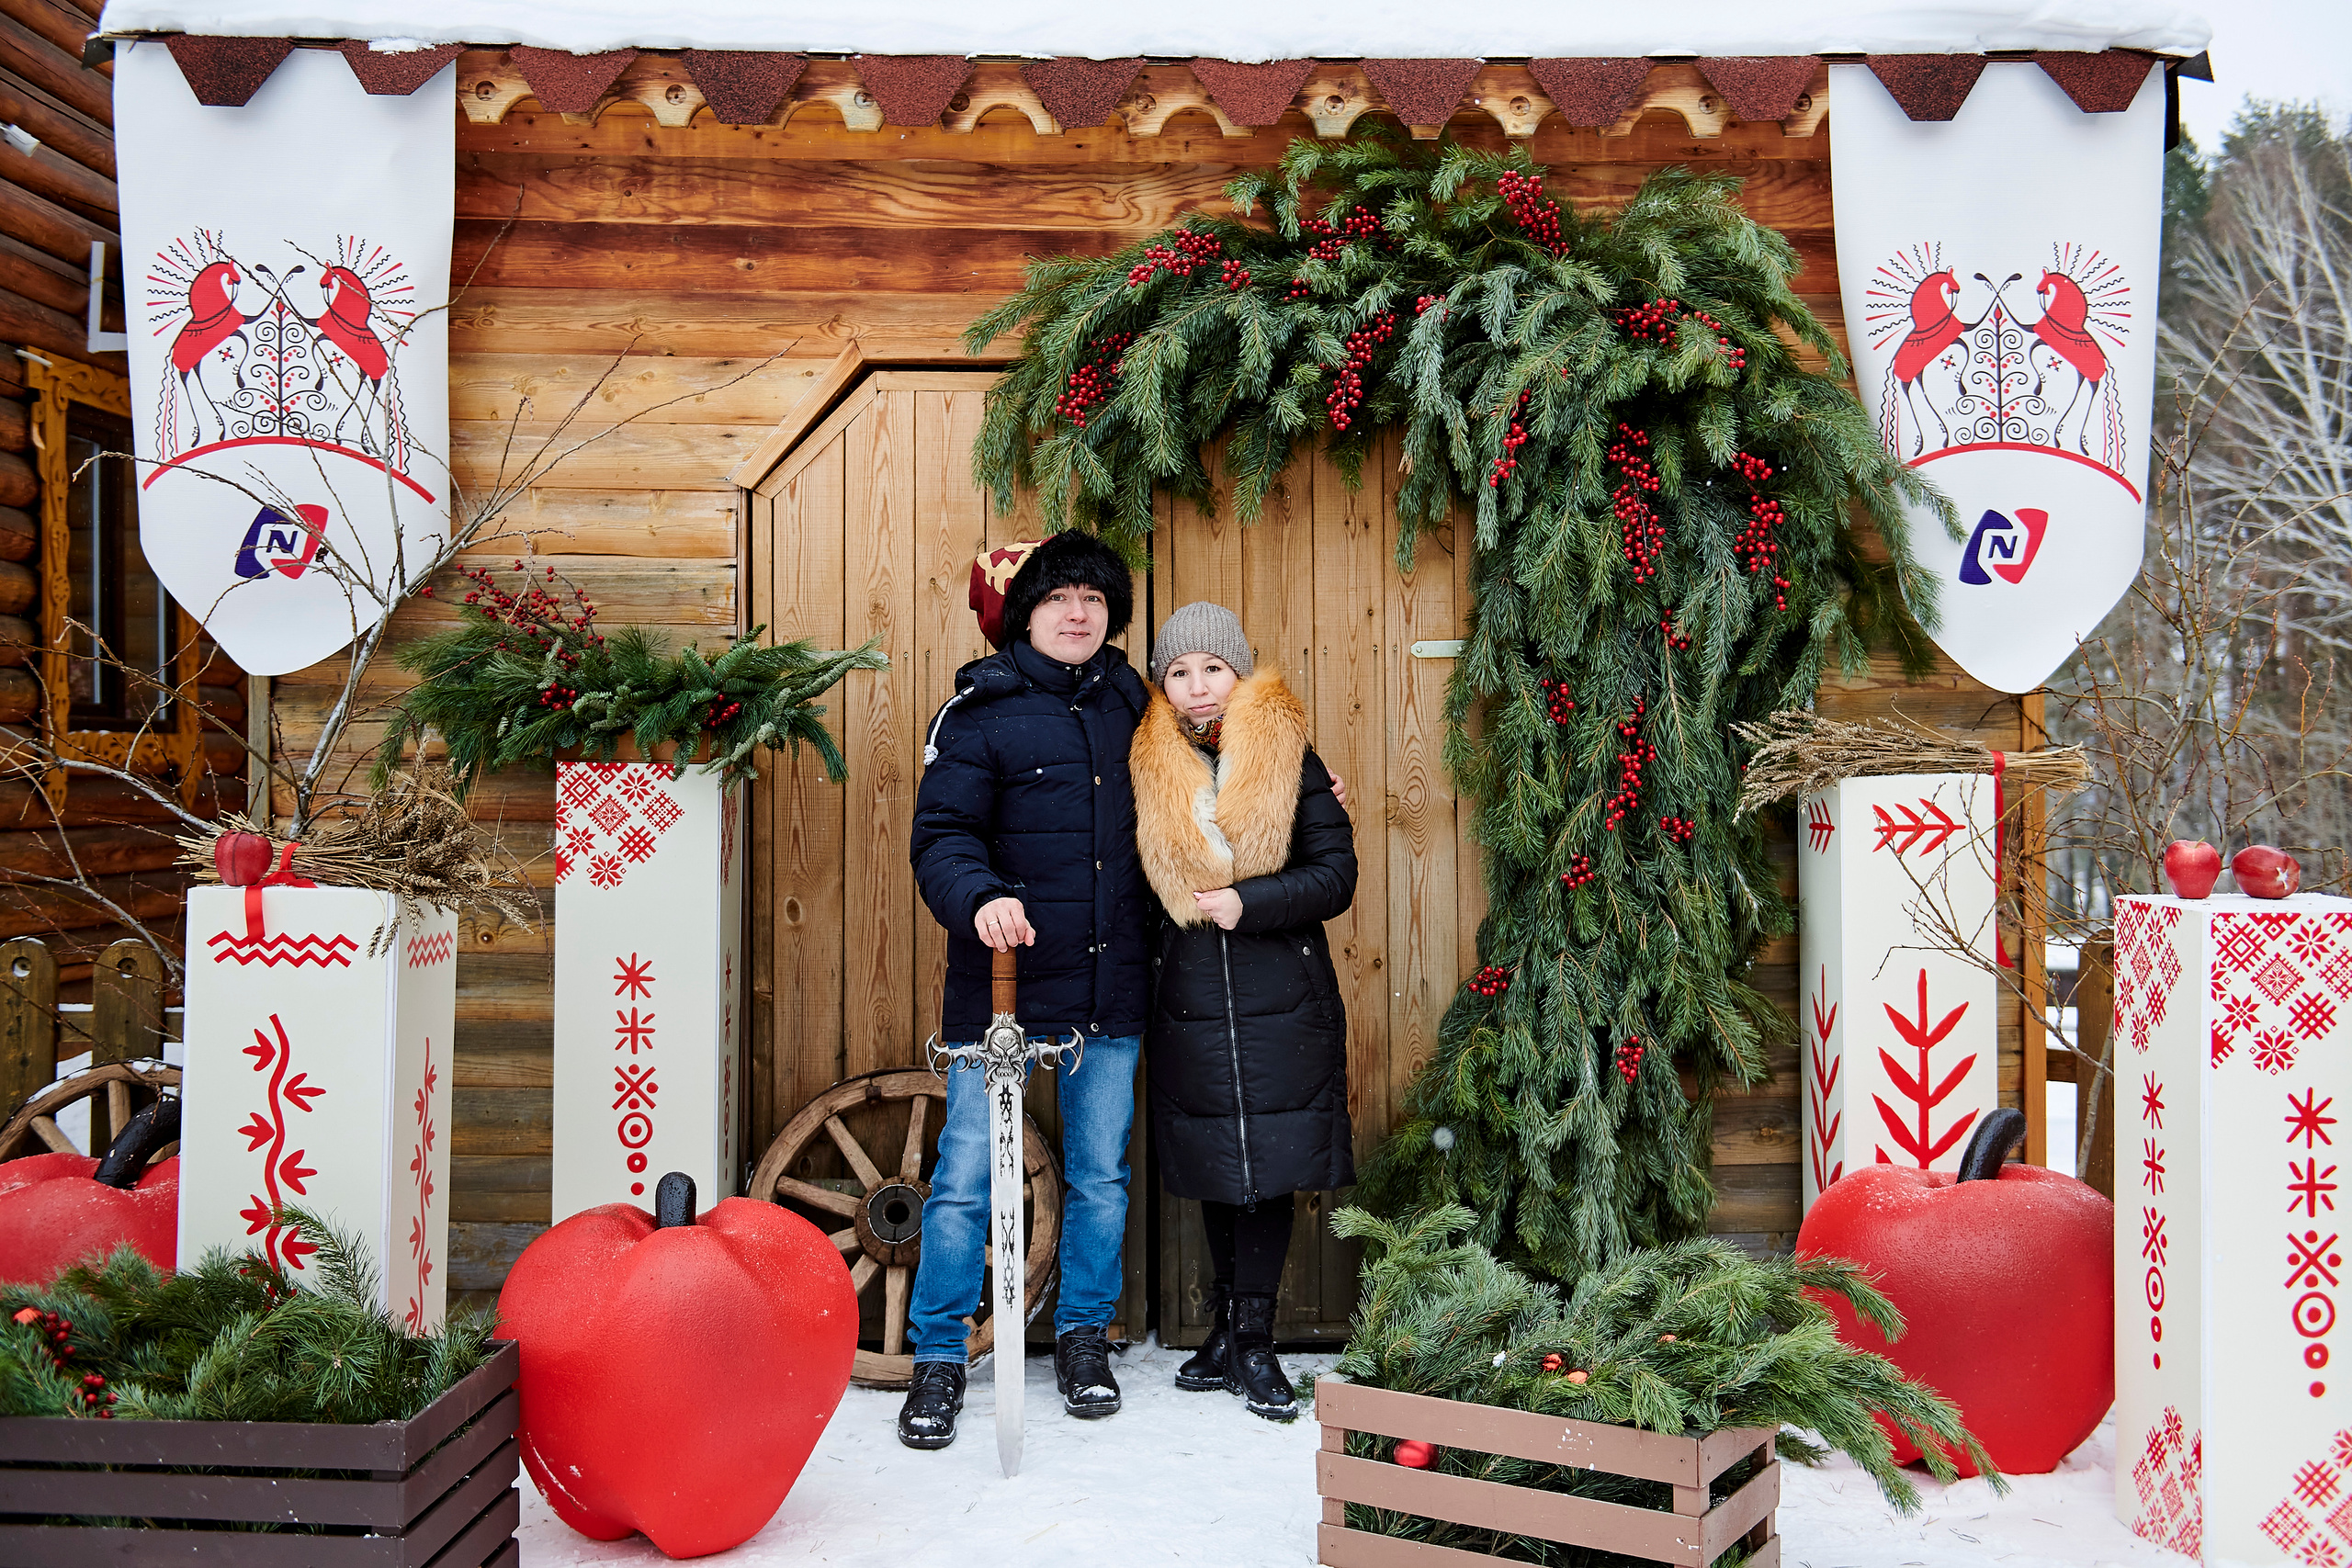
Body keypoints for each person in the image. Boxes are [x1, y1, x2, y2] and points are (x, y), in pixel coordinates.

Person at [899, 532, 1151, 1450]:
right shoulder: (979, 711)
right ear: (1027, 612)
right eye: (1058, 599)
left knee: (1099, 1181)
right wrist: (981, 898)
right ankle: (938, 1353)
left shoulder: (1139, 706)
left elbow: (1214, 782)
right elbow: (941, 842)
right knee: (964, 1183)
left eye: (1093, 598)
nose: (1077, 613)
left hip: (1108, 988)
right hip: (999, 994)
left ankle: (1083, 1336)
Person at [1131, 603, 1358, 1422]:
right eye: (1180, 672)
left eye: (1213, 669)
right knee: (1219, 1168)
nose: (1198, 688)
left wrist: (1247, 901)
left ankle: (1256, 1342)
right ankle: (1227, 1331)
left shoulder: (1291, 757)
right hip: (1189, 997)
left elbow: (1336, 875)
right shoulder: (1146, 762)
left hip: (1279, 999)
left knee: (1268, 1173)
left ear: (1240, 671)